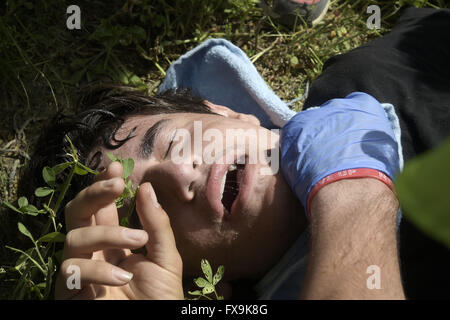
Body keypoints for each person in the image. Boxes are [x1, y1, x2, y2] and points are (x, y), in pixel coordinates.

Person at [18, 7, 449, 299]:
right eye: (148, 214)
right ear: (202, 282)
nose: (181, 176)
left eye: (170, 142)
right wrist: (350, 191)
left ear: (229, 112)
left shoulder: (375, 73)